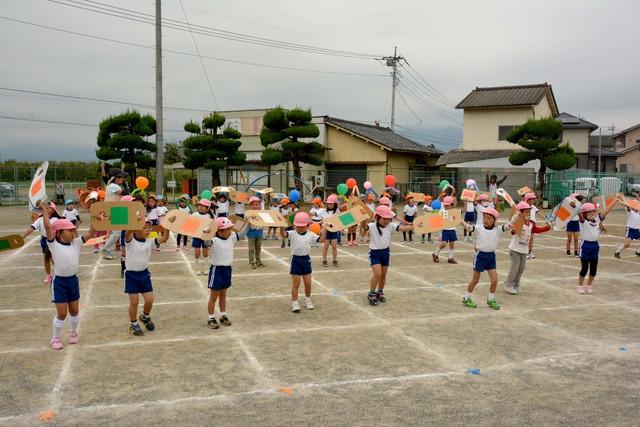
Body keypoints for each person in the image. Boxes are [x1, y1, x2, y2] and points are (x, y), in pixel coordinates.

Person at [41, 202, 96, 349]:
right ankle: (56, 337)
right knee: (62, 313)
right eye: (69, 230)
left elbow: (91, 233)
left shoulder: (76, 243)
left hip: (73, 281)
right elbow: (47, 227)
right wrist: (43, 210)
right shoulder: (53, 244)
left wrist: (97, 217)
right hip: (59, 283)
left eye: (73, 229)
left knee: (74, 311)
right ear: (59, 232)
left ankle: (73, 332)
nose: (73, 232)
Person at [461, 208, 512, 310]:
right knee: (475, 280)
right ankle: (466, 297)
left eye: (489, 218)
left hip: (491, 257)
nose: (486, 220)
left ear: (494, 220)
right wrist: (460, 221)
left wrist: (517, 217)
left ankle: (491, 299)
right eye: (484, 218)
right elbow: (469, 228)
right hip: (480, 256)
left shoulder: (497, 229)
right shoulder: (479, 228)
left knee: (495, 280)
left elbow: (509, 225)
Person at [366, 205, 414, 306]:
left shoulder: (390, 225)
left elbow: (404, 228)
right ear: (377, 217)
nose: (386, 221)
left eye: (388, 219)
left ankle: (380, 291)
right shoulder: (371, 226)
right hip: (374, 253)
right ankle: (371, 293)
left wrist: (416, 226)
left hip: (385, 253)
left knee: (383, 275)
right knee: (377, 274)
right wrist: (362, 221)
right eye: (384, 218)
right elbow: (363, 229)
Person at [206, 217, 248, 329]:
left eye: (230, 228)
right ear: (219, 231)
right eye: (227, 229)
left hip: (227, 270)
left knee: (223, 295)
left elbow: (243, 232)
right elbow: (206, 242)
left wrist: (250, 223)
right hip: (217, 270)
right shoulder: (214, 241)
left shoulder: (232, 238)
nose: (230, 231)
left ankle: (223, 315)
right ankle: (210, 317)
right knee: (213, 296)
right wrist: (206, 232)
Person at [503, 202, 552, 294]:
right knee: (515, 267)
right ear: (521, 212)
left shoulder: (530, 223)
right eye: (526, 211)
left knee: (521, 268)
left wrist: (547, 227)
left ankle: (515, 284)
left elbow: (537, 230)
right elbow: (513, 232)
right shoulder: (518, 222)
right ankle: (508, 284)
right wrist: (514, 230)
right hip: (514, 249)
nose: (528, 213)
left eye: (529, 211)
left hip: (524, 250)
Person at [280, 212, 324, 312]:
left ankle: (307, 299)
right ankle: (294, 302)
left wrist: (325, 230)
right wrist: (282, 225)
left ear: (308, 225)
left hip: (306, 260)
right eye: (298, 226)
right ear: (294, 225)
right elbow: (283, 234)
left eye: (302, 226)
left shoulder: (310, 234)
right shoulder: (292, 233)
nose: (300, 228)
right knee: (296, 283)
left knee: (308, 283)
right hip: (295, 260)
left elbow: (321, 240)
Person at [22, 203, 61, 285]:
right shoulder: (40, 220)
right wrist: (22, 237)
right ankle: (48, 275)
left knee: (55, 258)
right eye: (45, 208)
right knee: (46, 259)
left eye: (48, 208)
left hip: (54, 240)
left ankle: (60, 273)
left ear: (53, 210)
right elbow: (31, 229)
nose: (46, 209)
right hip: (44, 240)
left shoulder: (56, 219)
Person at [576, 202, 611, 294]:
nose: (592, 213)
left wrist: (616, 199)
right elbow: (579, 214)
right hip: (585, 246)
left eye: (593, 211)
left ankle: (589, 285)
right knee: (584, 268)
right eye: (589, 212)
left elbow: (607, 211)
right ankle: (580, 286)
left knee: (593, 268)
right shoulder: (583, 222)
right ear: (584, 213)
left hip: (595, 246)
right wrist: (577, 208)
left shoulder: (597, 220)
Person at [101, 168, 128, 260]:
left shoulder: (113, 185)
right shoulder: (113, 186)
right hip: (114, 210)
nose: (122, 179)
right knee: (117, 233)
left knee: (122, 231)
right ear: (114, 178)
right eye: (120, 177)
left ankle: (124, 248)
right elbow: (126, 193)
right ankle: (105, 249)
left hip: (118, 210)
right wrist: (124, 183)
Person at [432, 196, 459, 264]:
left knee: (452, 244)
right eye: (445, 204)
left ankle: (450, 258)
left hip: (452, 230)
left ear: (452, 205)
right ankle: (435, 254)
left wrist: (465, 203)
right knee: (444, 244)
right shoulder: (443, 211)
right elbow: (438, 219)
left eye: (447, 205)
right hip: (445, 230)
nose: (445, 206)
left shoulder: (454, 211)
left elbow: (461, 212)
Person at [192, 199, 213, 275]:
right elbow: (190, 224)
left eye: (203, 206)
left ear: (207, 208)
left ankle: (206, 269)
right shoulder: (194, 215)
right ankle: (197, 269)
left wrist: (207, 230)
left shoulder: (209, 216)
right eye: (200, 205)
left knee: (205, 253)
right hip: (196, 236)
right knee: (197, 252)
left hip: (205, 237)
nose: (200, 207)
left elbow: (211, 226)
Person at [246, 196, 265, 269]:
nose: (255, 206)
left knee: (258, 248)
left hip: (259, 233)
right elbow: (246, 223)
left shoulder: (261, 213)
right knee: (251, 249)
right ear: (250, 206)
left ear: (259, 205)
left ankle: (258, 261)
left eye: (257, 204)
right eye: (253, 205)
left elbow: (264, 222)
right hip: (251, 234)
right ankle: (251, 262)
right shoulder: (248, 213)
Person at [322, 194, 340, 267]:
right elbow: (324, 220)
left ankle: (335, 260)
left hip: (334, 231)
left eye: (331, 204)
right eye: (328, 203)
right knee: (325, 247)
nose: (329, 205)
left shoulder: (337, 211)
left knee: (334, 246)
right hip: (326, 231)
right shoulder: (324, 211)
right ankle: (324, 260)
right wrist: (328, 224)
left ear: (335, 204)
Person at [522, 192, 538, 259]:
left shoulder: (533, 207)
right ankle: (524, 252)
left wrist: (547, 219)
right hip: (527, 223)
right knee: (526, 238)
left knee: (531, 238)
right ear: (528, 199)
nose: (533, 200)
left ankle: (530, 252)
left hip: (533, 223)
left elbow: (538, 213)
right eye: (532, 199)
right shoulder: (524, 206)